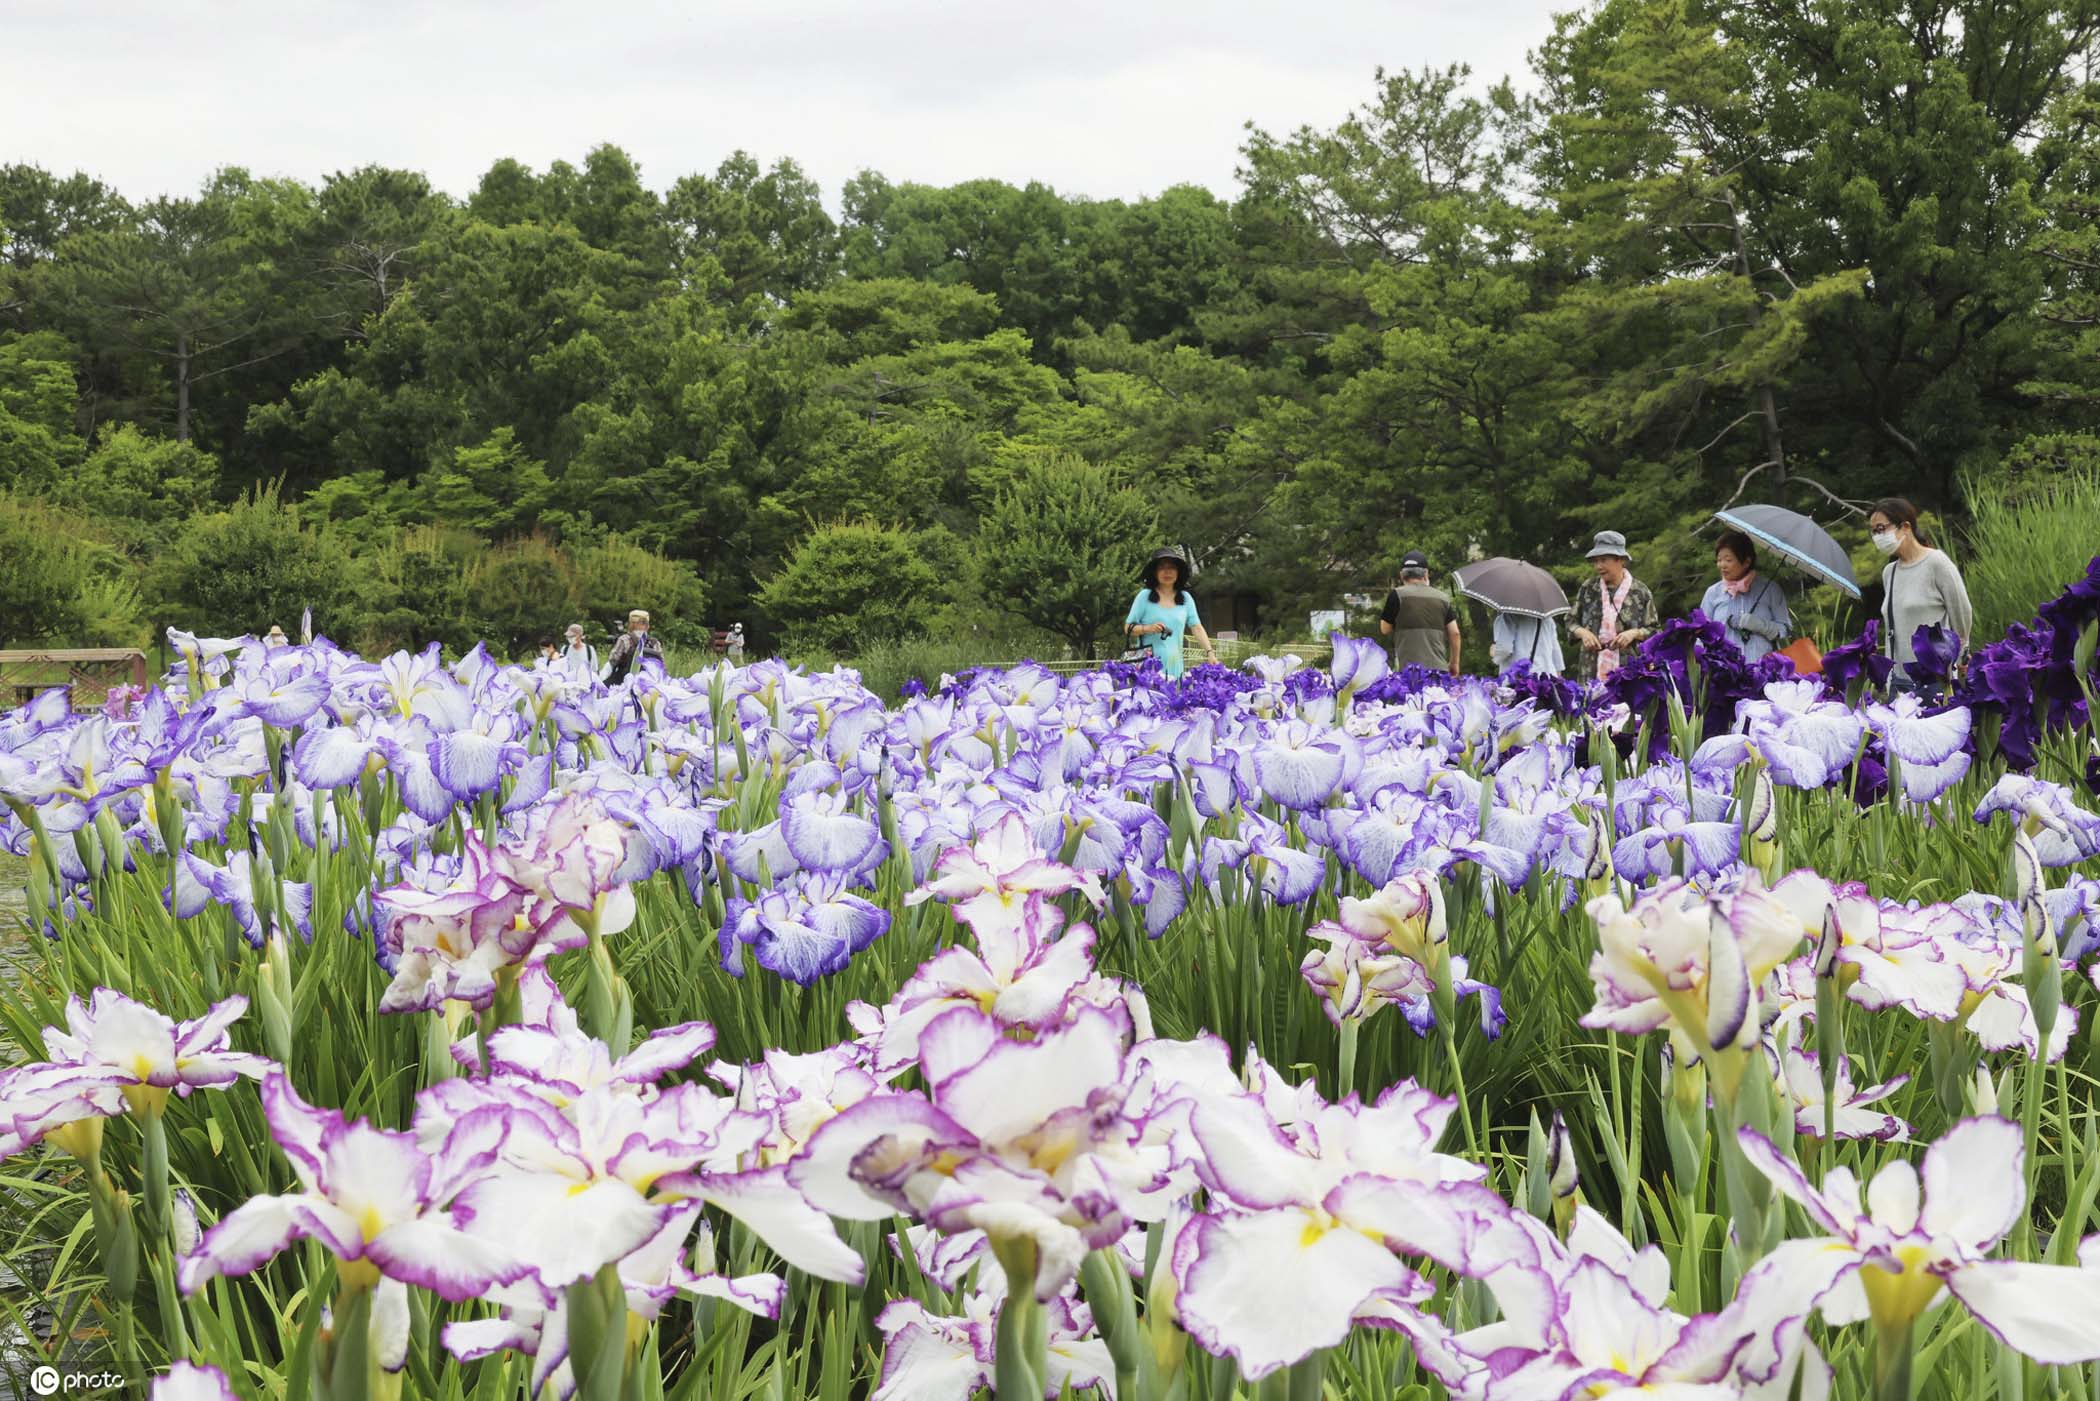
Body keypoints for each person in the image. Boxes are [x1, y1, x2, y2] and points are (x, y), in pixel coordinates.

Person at [1870, 497, 1973, 682]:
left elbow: (1961, 615)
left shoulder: (1936, 563)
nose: (1877, 537)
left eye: (1881, 529)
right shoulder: (1889, 573)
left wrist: (1960, 660)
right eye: (1873, 532)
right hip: (1899, 682)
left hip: (1936, 680)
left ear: (1906, 527)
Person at [1568, 530, 1658, 681]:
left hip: (1629, 673)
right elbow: (1570, 621)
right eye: (1596, 561)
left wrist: (1634, 633)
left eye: (1604, 560)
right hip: (1590, 670)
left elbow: (1654, 630)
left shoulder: (1640, 592)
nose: (1598, 566)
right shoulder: (1588, 588)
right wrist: (1583, 633)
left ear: (1621, 560)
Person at [1124, 547, 1218, 679]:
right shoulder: (1144, 596)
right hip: (1148, 668)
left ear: (1178, 572)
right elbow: (1128, 628)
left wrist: (1210, 653)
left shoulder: (1186, 598)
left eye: (1172, 567)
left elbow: (1196, 627)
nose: (1167, 571)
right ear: (1155, 572)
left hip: (1176, 665)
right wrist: (1148, 628)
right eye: (1162, 567)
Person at [1699, 529, 1790, 662]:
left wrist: (1761, 625)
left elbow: (1785, 630)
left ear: (1746, 562)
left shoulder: (1770, 589)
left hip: (1763, 672)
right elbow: (1700, 633)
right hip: (1724, 674)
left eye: (1728, 560)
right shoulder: (1713, 593)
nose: (1722, 565)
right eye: (1719, 560)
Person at [1378, 551, 1462, 677]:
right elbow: (1455, 633)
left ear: (1401, 575)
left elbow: (1385, 629)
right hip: (1439, 669)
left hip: (1409, 670)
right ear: (1426, 573)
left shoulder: (1397, 595)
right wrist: (1454, 663)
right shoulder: (1443, 598)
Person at [1491, 612, 1565, 676]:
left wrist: (1494, 652)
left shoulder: (1508, 615)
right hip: (1546, 680)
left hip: (1518, 681)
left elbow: (1504, 649)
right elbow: (1556, 653)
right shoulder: (1548, 619)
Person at [603, 609, 664, 684]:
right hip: (649, 684)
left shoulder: (624, 639)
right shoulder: (655, 643)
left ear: (631, 624)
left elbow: (613, 660)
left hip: (624, 683)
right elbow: (662, 666)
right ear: (647, 626)